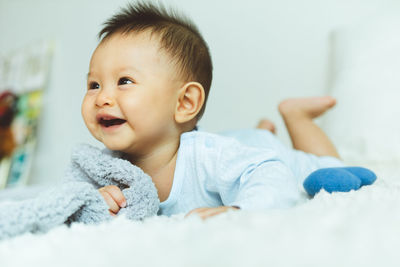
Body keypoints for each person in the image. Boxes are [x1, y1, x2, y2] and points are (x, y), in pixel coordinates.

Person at [81, 2, 343, 220]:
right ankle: (261, 130)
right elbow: (75, 199)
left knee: (331, 169)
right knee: (246, 145)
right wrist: (97, 201)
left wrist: (241, 211)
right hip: (239, 144)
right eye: (94, 84)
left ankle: (296, 116)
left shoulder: (209, 157)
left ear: (184, 103)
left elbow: (273, 175)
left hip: (258, 149)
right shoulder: (105, 167)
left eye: (124, 81)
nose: (102, 97)